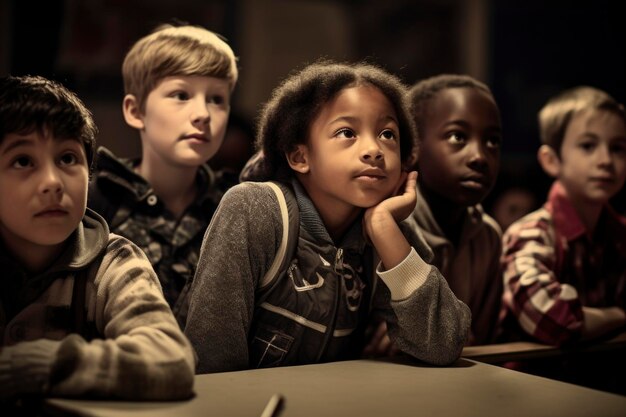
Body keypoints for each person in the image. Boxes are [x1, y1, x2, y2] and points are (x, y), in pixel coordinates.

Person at [182, 60, 471, 374]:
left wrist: (384, 228)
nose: (374, 149)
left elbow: (444, 345)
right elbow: (212, 360)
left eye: (387, 134)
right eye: (347, 132)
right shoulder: (256, 209)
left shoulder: (391, 233)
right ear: (300, 156)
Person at [0, 75, 195, 406]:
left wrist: (40, 365)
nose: (52, 182)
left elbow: (171, 360)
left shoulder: (113, 261)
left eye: (67, 159)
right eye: (23, 161)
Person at [87, 24, 238, 312]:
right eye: (181, 95)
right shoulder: (96, 204)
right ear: (135, 111)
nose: (203, 114)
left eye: (217, 99)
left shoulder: (233, 205)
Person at [500, 86, 626, 346]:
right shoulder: (531, 233)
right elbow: (553, 320)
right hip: (533, 383)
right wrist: (619, 315)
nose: (605, 160)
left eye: (618, 148)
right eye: (588, 145)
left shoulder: (620, 234)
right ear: (551, 160)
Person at [405, 74, 504, 345]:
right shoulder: (391, 228)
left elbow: (481, 342)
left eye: (492, 141)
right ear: (414, 147)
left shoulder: (488, 237)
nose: (479, 157)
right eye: (457, 137)